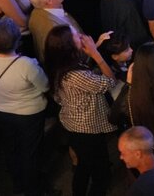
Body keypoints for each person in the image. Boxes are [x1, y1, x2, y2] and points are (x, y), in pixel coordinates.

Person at [44, 24, 118, 196]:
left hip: (73, 123)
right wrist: (96, 54)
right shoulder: (76, 76)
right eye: (76, 35)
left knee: (83, 165)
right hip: (87, 128)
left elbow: (81, 65)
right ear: (68, 46)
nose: (81, 35)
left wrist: (95, 45)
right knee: (100, 173)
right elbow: (110, 82)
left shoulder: (59, 65)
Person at [0, 17, 49, 196]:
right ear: (17, 40)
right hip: (29, 114)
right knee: (30, 152)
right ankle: (33, 189)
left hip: (0, 111)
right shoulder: (26, 64)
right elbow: (45, 86)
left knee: (11, 149)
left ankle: (18, 185)